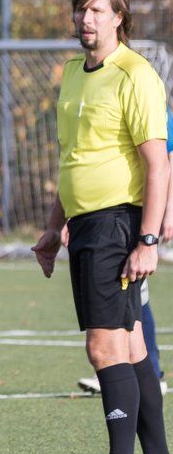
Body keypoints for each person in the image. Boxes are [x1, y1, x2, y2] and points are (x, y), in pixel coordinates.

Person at [32, 0, 173, 454]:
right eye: (80, 10)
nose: (86, 19)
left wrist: (150, 238)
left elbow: (156, 165)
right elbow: (72, 159)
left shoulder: (136, 75)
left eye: (98, 11)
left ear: (120, 17)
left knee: (104, 345)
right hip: (85, 224)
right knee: (132, 343)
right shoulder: (73, 73)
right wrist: (53, 226)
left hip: (117, 225)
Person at [78, 106, 173, 396]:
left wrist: (168, 213)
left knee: (133, 293)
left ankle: (139, 369)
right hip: (116, 217)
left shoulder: (144, 98)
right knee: (134, 293)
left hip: (134, 217)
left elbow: (167, 160)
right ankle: (120, 364)